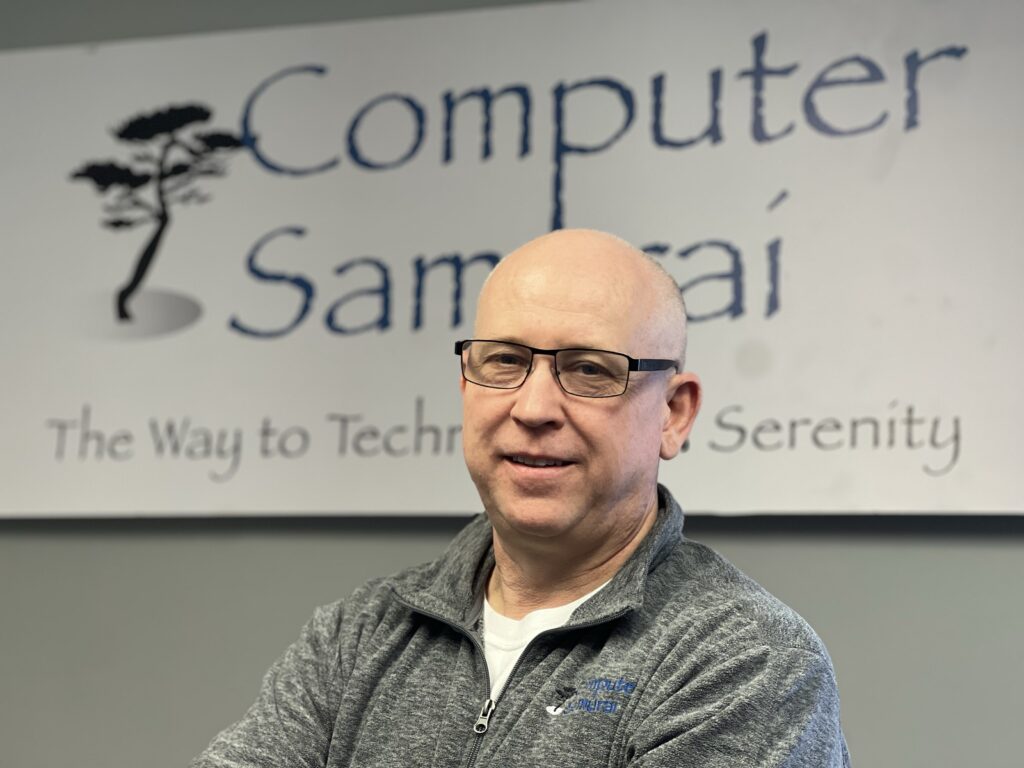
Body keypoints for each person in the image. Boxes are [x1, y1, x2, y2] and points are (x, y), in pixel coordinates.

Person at [191, 229, 851, 767]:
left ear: (674, 414)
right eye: (504, 362)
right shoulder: (357, 636)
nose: (533, 407)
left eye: (590, 369)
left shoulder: (745, 663)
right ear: (465, 387)